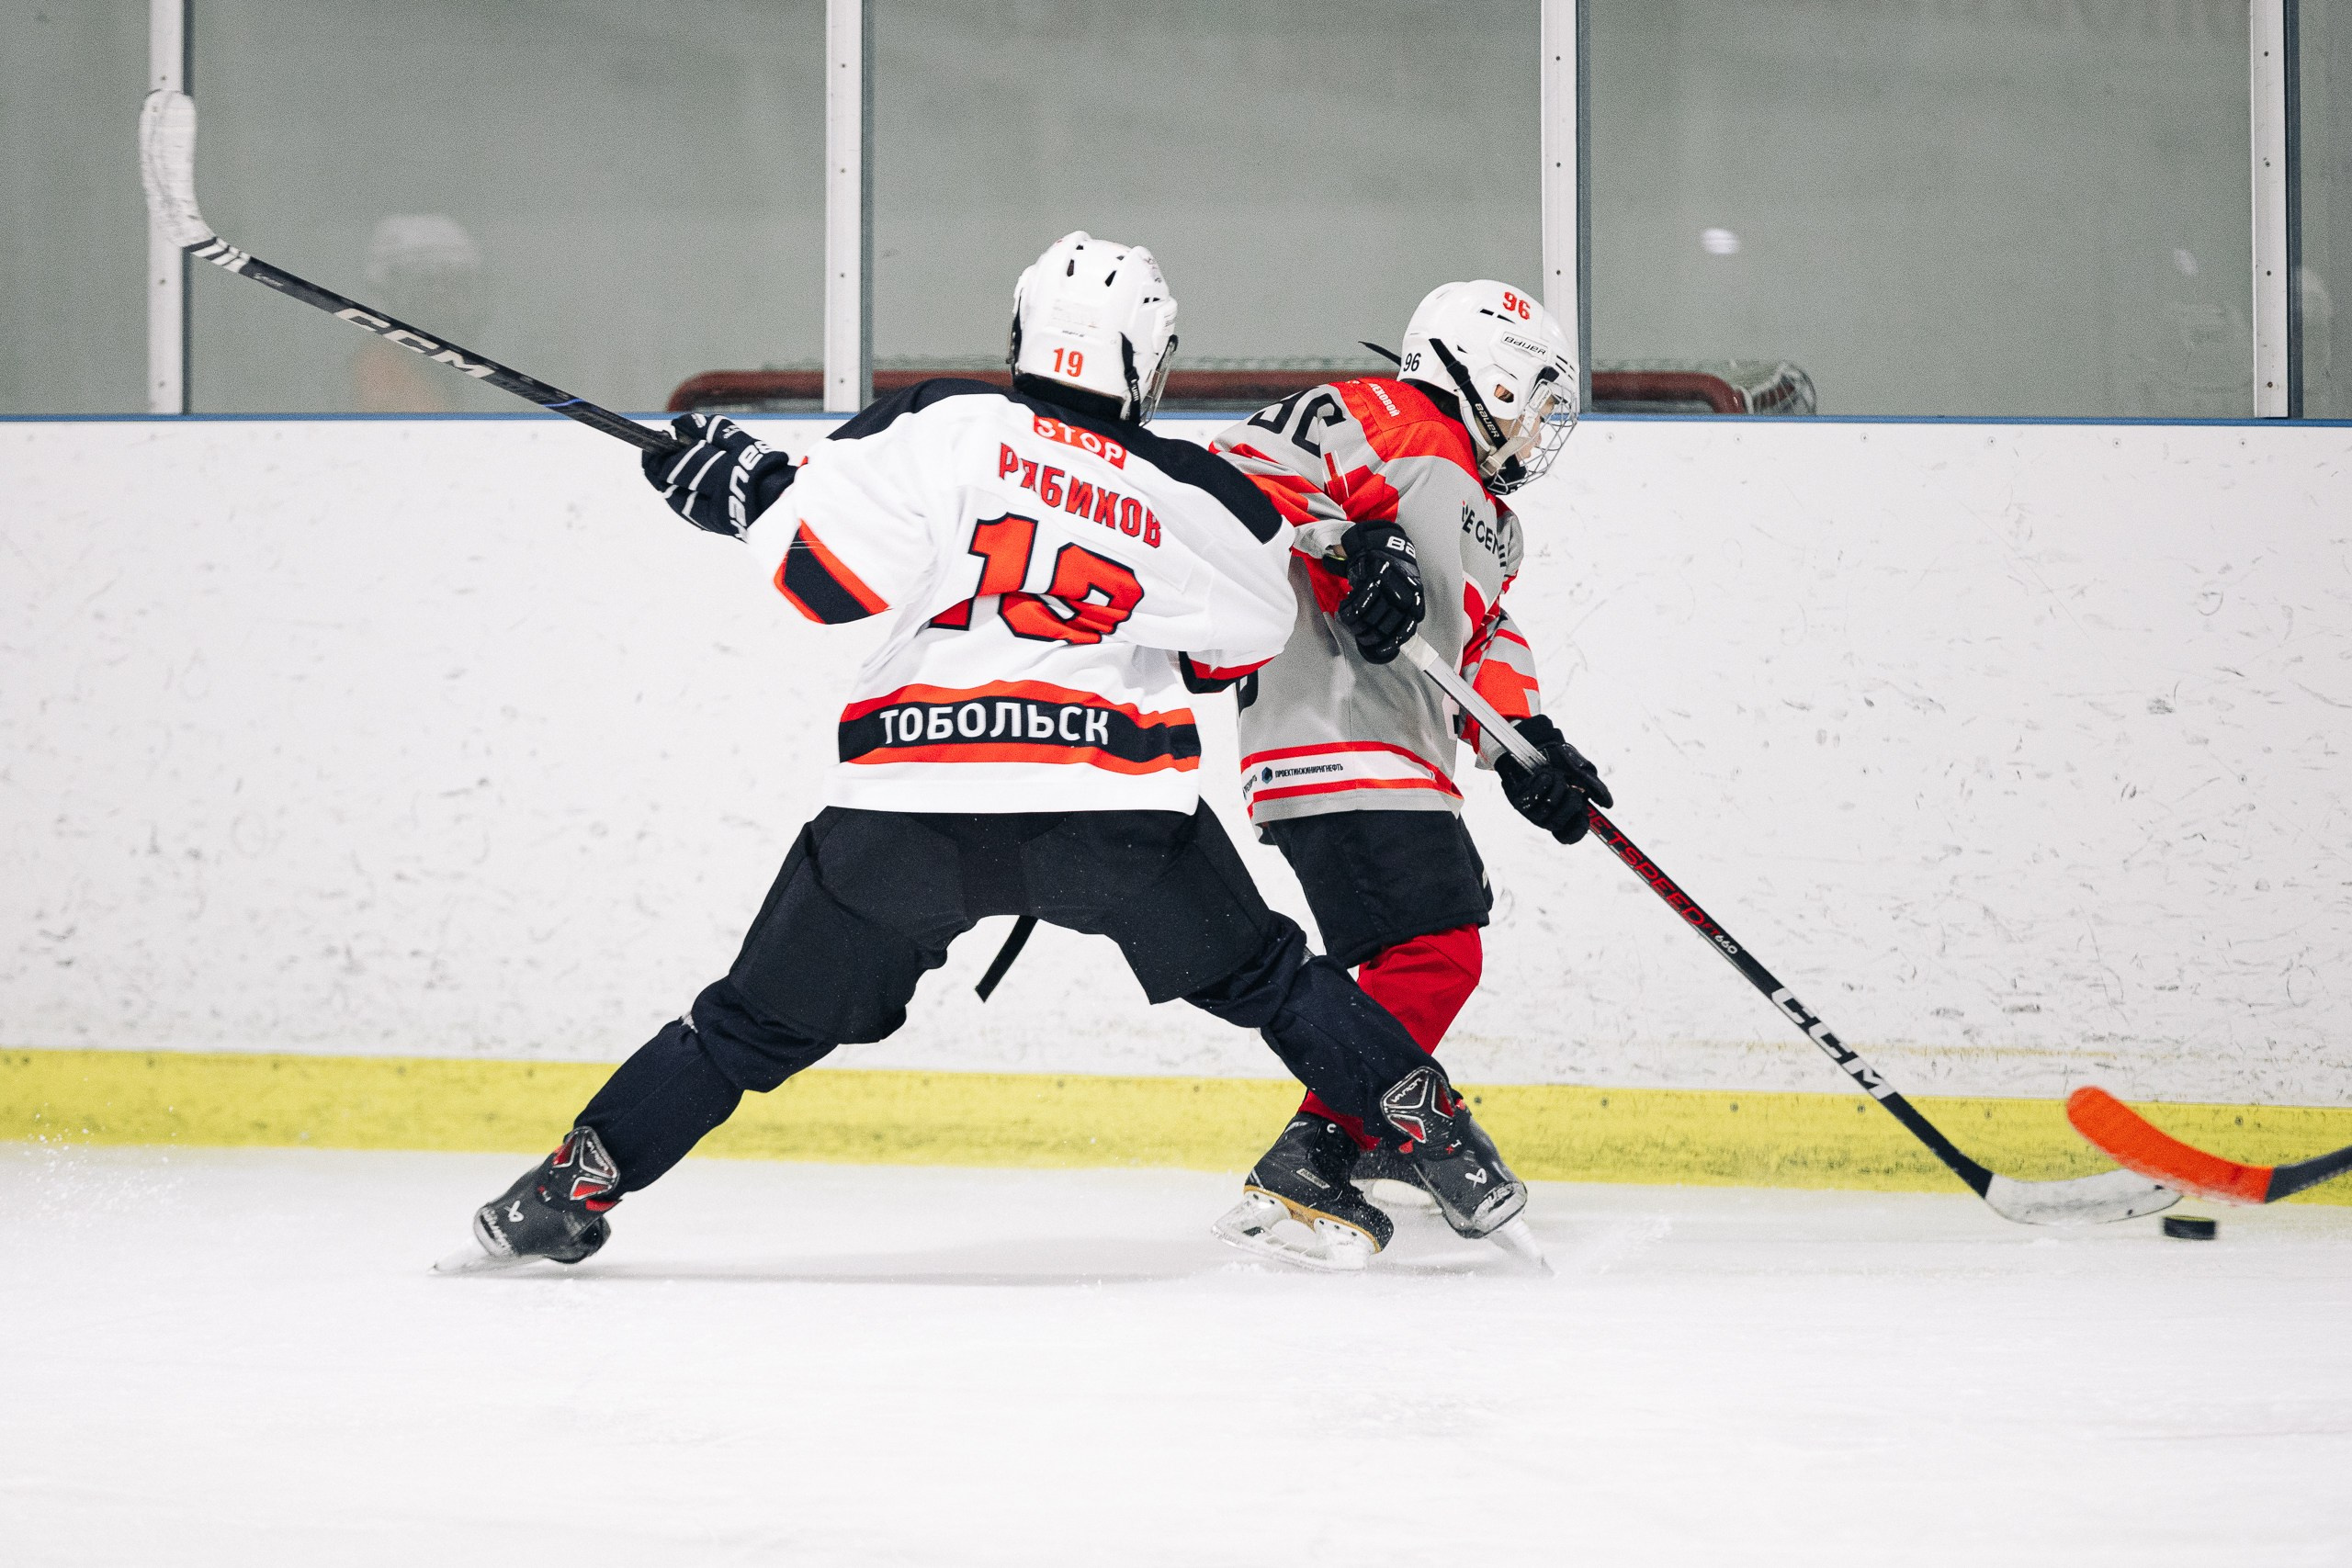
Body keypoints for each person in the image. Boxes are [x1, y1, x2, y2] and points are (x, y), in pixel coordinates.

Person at [444, 234, 1537, 1276]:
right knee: (1274, 979)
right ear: (1150, 358)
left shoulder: (938, 424)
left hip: (906, 807)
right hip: (1110, 815)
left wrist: (743, 496)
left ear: (1022, 332)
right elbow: (1243, 637)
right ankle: (1436, 1134)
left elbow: (831, 580)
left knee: (742, 1025)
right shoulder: (1187, 490)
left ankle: (564, 1192)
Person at [1204, 279, 1611, 1263]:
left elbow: (1476, 642)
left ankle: (1358, 1134)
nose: (1540, 422)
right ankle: (1311, 1155)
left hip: (1402, 752)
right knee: (1437, 952)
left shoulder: (1495, 523)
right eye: (1533, 395)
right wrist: (1346, 535)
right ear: (1482, 367)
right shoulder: (1383, 414)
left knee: (1410, 958)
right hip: (1329, 729)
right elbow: (1225, 477)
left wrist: (1528, 744)